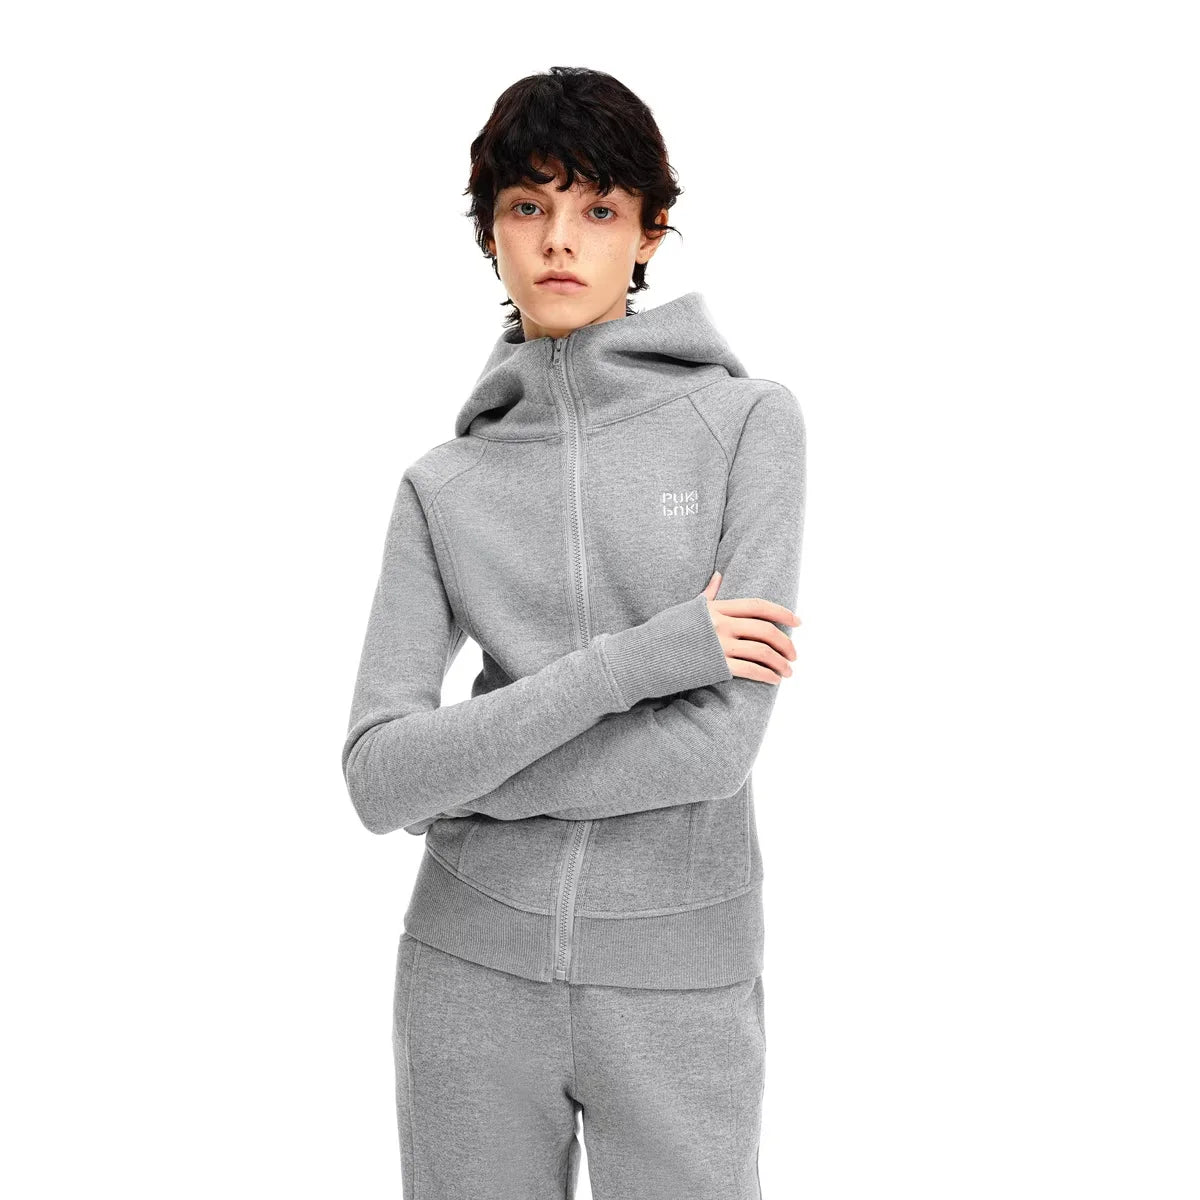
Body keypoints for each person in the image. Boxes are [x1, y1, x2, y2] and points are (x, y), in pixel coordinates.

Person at [341, 65, 806, 1200]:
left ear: (649, 232)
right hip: (463, 976)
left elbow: (716, 747)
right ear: (489, 233)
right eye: (527, 206)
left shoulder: (748, 424)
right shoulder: (442, 486)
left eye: (598, 208)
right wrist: (643, 661)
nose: (560, 239)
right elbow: (378, 777)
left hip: (678, 981)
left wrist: (466, 777)